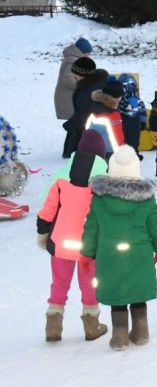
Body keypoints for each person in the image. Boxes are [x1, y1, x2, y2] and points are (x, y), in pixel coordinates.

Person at [81, 145, 157, 351]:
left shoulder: (100, 198)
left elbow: (91, 228)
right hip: (138, 253)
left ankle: (119, 336)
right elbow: (156, 226)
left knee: (117, 293)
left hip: (109, 253)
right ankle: (141, 332)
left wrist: (86, 253)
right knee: (137, 291)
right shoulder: (145, 199)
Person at [35, 129, 109, 343]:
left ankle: (53, 326)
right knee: (89, 283)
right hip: (90, 245)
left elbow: (47, 210)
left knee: (59, 283)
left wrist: (42, 232)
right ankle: (92, 325)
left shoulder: (61, 177)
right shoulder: (104, 181)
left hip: (61, 243)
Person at [62, 56, 109, 158]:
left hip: (87, 129)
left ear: (84, 74)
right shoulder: (90, 84)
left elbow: (85, 114)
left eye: (76, 74)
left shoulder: (89, 89)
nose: (74, 76)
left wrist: (73, 124)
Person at [83, 77, 125, 157]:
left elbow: (87, 127)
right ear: (116, 97)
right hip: (108, 150)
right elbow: (117, 135)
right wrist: (121, 151)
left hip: (93, 147)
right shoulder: (113, 114)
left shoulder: (95, 107)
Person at [54, 37, 92, 122]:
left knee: (75, 126)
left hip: (69, 97)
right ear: (82, 52)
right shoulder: (73, 60)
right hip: (68, 99)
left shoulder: (74, 59)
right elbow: (67, 78)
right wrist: (82, 85)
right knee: (75, 126)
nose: (89, 55)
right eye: (88, 53)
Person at [116, 74, 147, 156]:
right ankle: (135, 154)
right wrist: (143, 123)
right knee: (134, 139)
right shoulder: (137, 100)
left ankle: (124, 155)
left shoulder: (118, 99)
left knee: (123, 139)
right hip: (135, 121)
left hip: (122, 121)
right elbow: (142, 111)